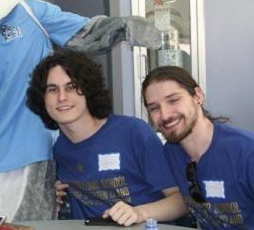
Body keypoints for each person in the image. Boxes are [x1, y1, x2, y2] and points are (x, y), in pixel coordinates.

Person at [26, 51, 187, 226]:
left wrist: (139, 213)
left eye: (71, 87)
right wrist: (55, 199)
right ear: (42, 98)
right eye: (52, 89)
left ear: (88, 90)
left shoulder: (133, 132)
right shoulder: (60, 149)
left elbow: (181, 202)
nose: (62, 97)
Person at [142, 66, 254, 229]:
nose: (165, 115)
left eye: (173, 100)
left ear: (198, 96)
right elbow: (182, 201)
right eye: (154, 108)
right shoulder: (171, 152)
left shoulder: (246, 152)